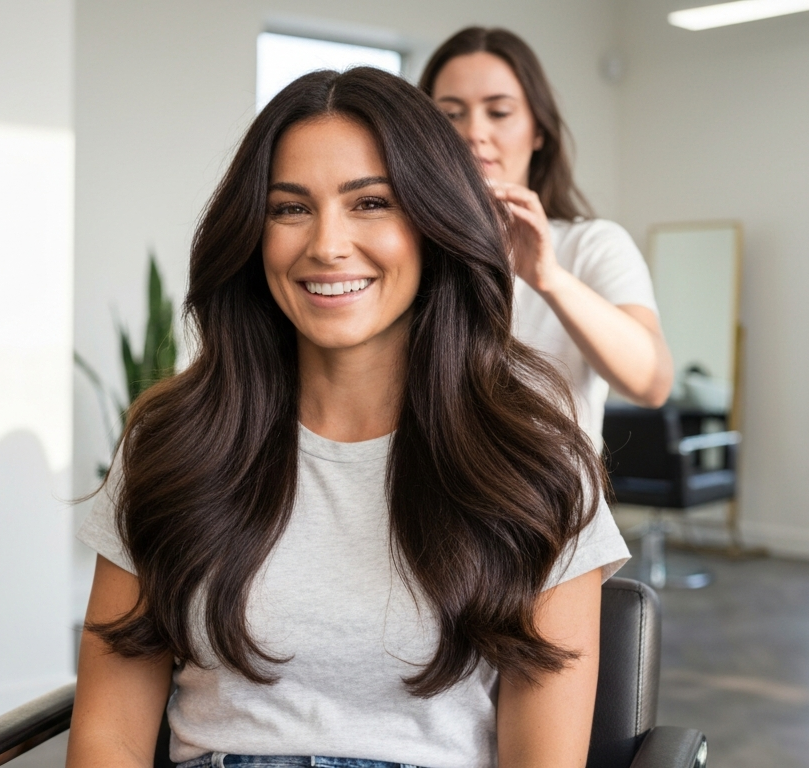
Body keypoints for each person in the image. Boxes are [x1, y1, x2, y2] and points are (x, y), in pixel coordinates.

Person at [69, 67, 630, 768]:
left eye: (371, 203)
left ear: (435, 223)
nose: (327, 245)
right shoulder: (174, 444)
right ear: (254, 232)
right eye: (289, 208)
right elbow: (108, 738)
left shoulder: (536, 462)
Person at [420, 27, 674, 446]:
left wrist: (547, 276)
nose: (474, 132)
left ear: (539, 130)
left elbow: (652, 384)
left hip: (557, 509)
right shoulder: (402, 249)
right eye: (450, 115)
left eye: (498, 112)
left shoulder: (592, 245)